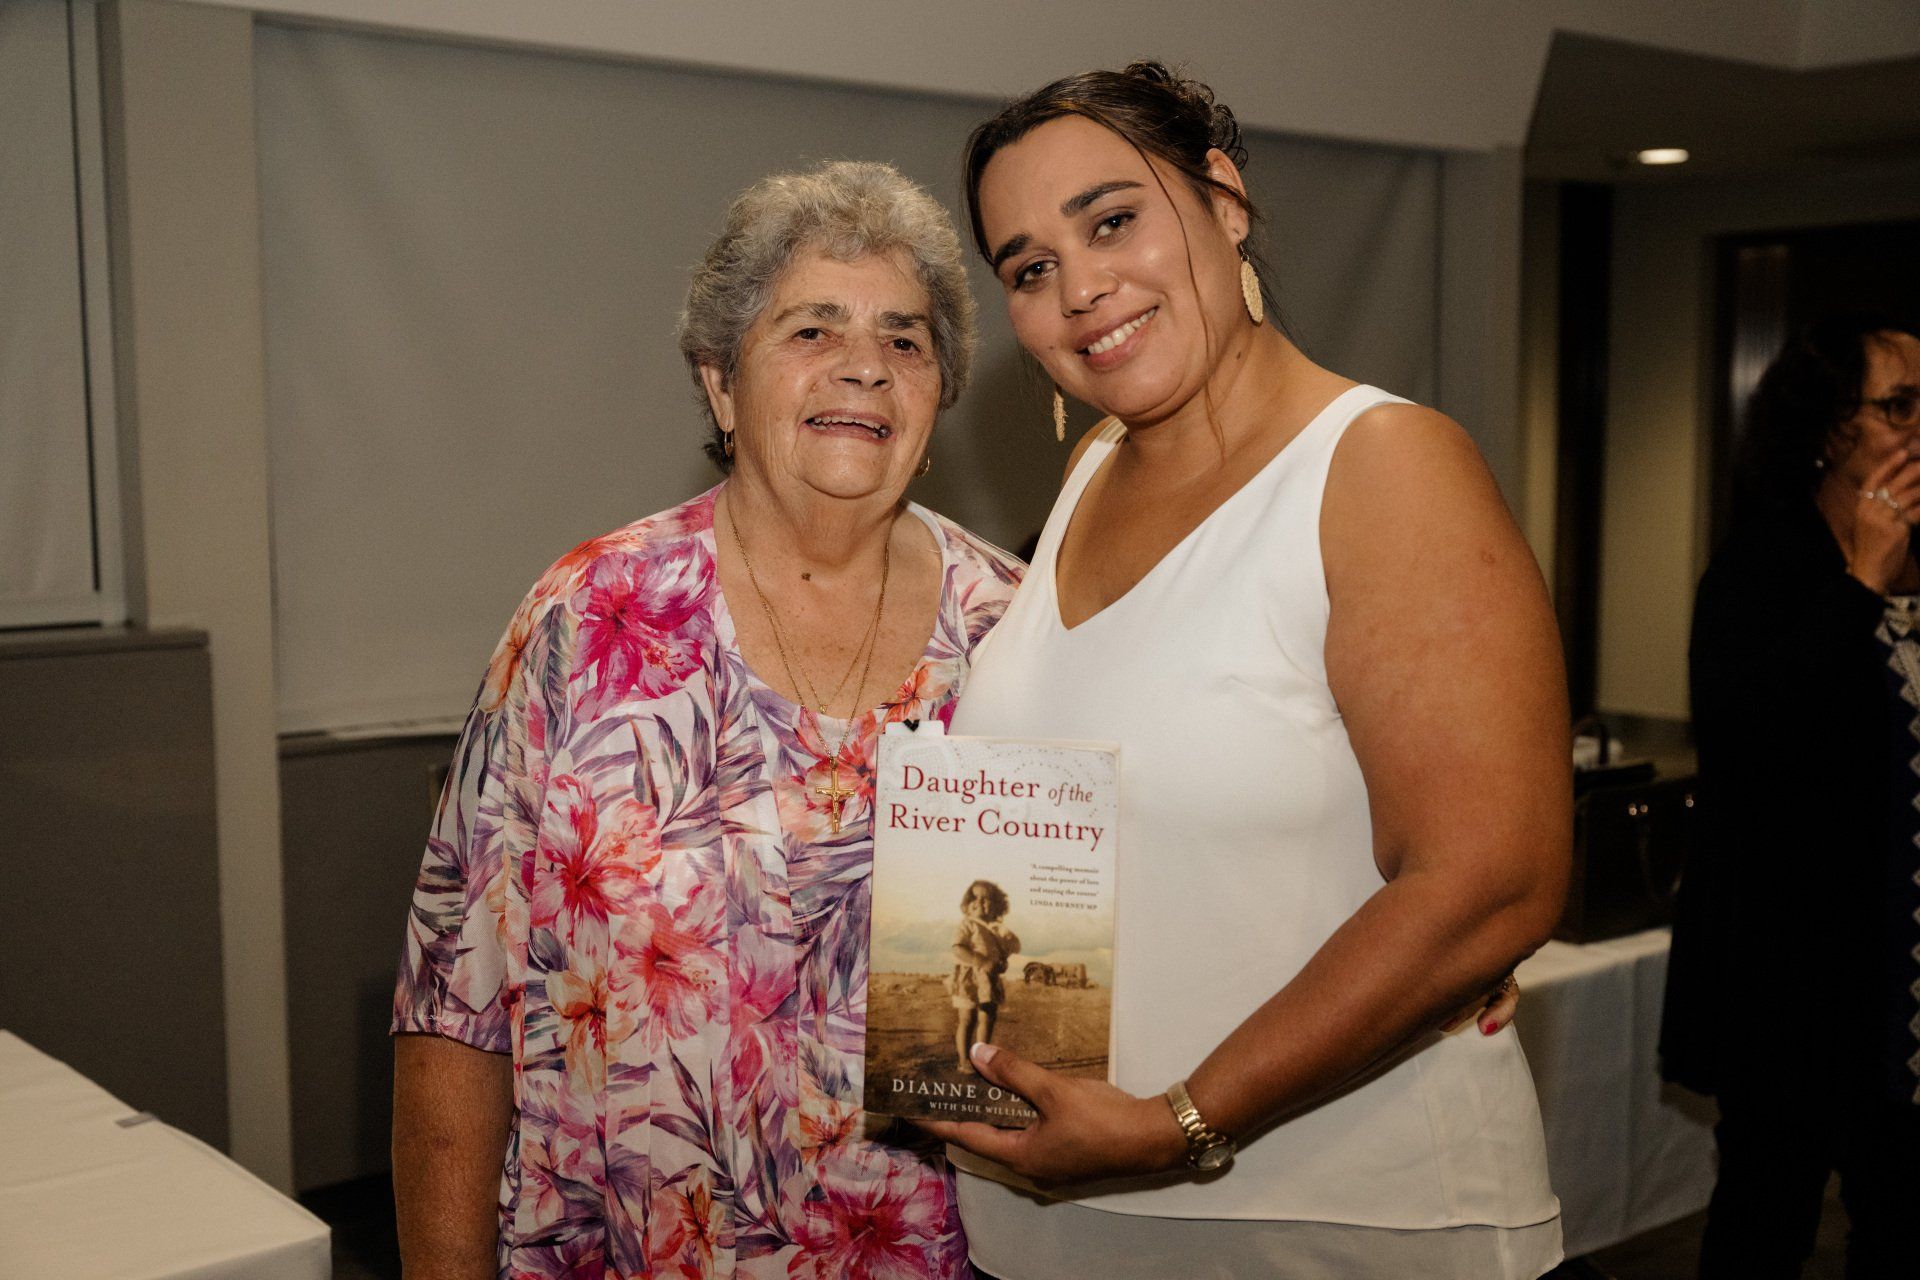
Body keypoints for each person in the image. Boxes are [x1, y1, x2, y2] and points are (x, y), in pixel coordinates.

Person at [924, 63, 1569, 1279]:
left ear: (1223, 199)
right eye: (1027, 267)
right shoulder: (1089, 478)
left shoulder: (1381, 464)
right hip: (1056, 1222)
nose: (1080, 288)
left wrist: (1178, 1120)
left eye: (1112, 219)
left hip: (1335, 1222)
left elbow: (1491, 881)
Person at [389, 160, 1023, 1280]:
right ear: (722, 384)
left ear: (940, 390)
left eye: (906, 339)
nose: (865, 366)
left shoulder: (1016, 634)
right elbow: (456, 999)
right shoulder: (586, 618)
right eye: (813, 330)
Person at [1661, 315, 1920, 1278]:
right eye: (1899, 404)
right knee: (1768, 1215)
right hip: (1796, 981)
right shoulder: (1763, 567)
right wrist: (1860, 582)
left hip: (1905, 969)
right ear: (1828, 427)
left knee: (1901, 1217)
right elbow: (1750, 744)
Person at [949, 880, 1019, 1070]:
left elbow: (1014, 947)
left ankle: (980, 1060)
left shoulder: (997, 929)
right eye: (975, 897)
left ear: (997, 905)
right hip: (969, 978)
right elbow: (958, 948)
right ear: (967, 904)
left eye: (986, 899)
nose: (979, 902)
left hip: (989, 979)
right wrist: (980, 961)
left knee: (987, 1018)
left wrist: (1005, 949)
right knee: (966, 1019)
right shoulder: (968, 924)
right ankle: (963, 1061)